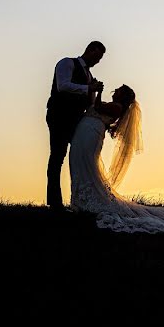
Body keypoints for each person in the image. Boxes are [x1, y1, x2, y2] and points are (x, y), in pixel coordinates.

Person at [68, 84, 164, 234]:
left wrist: (98, 91)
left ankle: (89, 201)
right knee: (80, 164)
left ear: (123, 95)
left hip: (90, 134)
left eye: (119, 89)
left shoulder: (117, 107)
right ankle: (83, 201)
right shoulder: (115, 105)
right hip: (87, 132)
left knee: (86, 165)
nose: (116, 90)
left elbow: (98, 107)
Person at [46, 41, 105, 211]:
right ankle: (55, 203)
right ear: (90, 50)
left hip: (78, 120)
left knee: (82, 156)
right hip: (59, 115)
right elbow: (62, 85)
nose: (98, 61)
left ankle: (85, 199)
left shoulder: (89, 76)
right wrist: (88, 88)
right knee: (58, 155)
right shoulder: (67, 63)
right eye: (98, 56)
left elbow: (90, 102)